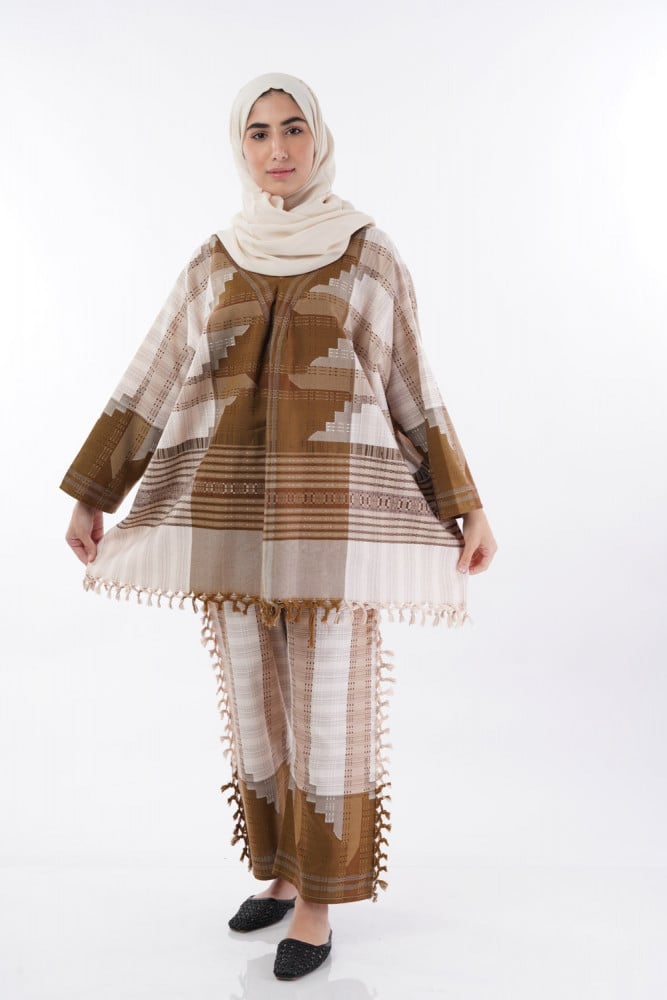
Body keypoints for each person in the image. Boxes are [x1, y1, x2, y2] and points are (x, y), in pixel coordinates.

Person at [62, 72, 497, 981]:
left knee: (326, 708)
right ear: (241, 147)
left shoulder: (368, 255)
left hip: (334, 528)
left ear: (318, 138)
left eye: (293, 128)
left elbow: (411, 386)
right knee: (258, 711)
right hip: (229, 523)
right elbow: (153, 376)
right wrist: (94, 490)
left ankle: (317, 902)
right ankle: (279, 870)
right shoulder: (216, 258)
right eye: (258, 133)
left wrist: (465, 505)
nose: (277, 148)